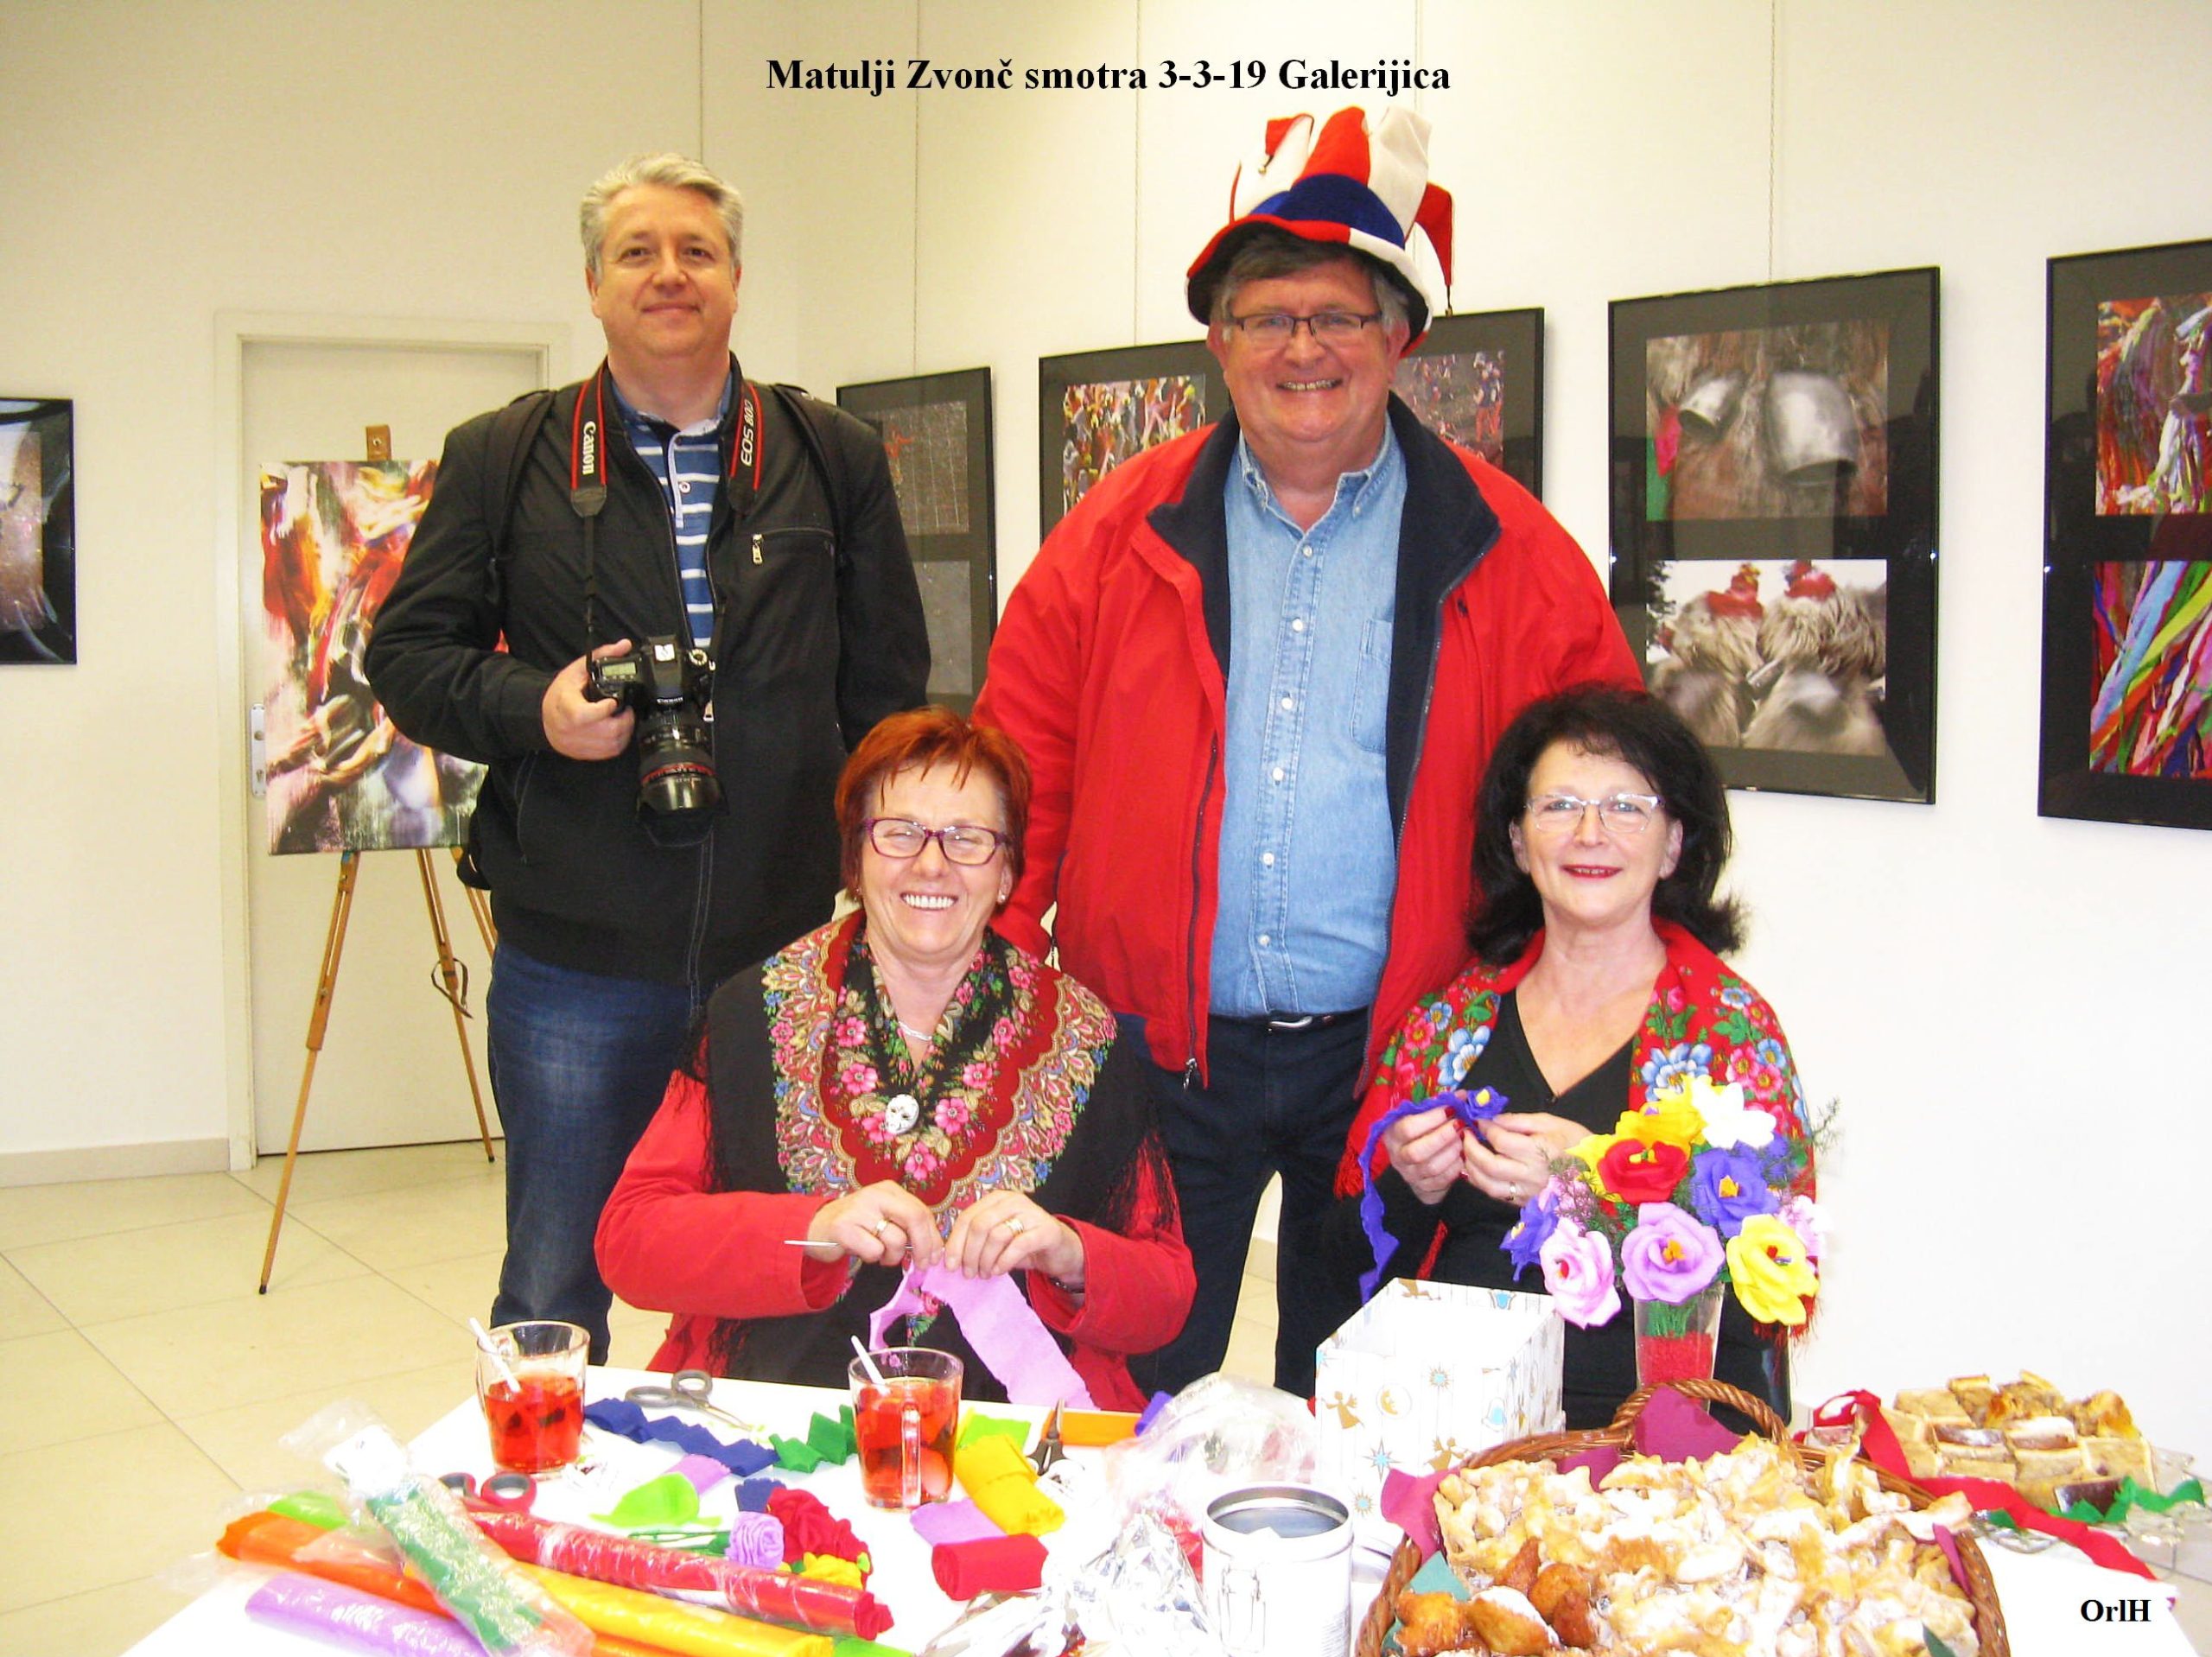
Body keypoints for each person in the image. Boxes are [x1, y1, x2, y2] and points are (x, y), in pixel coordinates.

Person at [974, 106, 1637, 1397]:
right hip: (1155, 1055)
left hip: (1404, 1075)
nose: (1303, 348)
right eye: (1267, 316)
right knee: (1118, 1398)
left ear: (1401, 335)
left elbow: (1606, 805)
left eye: (1337, 315)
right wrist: (999, 1007)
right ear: (1217, 341)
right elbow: (1015, 782)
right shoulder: (1112, 536)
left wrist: (1567, 1016)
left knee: (1377, 1412)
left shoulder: (1515, 554)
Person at [365, 154, 928, 1362]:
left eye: (696, 251)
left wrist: (879, 882)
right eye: (637, 252)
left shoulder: (831, 454)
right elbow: (405, 656)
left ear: (735, 278)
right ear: (592, 284)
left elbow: (887, 689)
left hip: (782, 954)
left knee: (790, 1267)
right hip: (576, 959)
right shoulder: (502, 455)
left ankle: (760, 1479)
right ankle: (548, 1473)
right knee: (554, 1280)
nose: (669, 274)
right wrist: (534, 707)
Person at [595, 708, 1193, 1408]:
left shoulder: (1083, 1037)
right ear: (855, 859)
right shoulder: (749, 1013)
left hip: (1015, 1432)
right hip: (777, 1411)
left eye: (968, 838)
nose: (932, 864)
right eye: (900, 832)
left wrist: (1069, 1253)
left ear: (1007, 872)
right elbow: (630, 1242)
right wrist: (812, 1231)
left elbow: (1167, 1295)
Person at [1337, 685, 1814, 1429]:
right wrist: (1408, 1185)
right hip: (1453, 1418)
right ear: (1518, 841)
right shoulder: (1449, 1023)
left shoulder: (1731, 1034)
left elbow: (1775, 1284)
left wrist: (1592, 1185)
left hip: (1654, 1434)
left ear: (1674, 844)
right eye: (1560, 806)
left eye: (1627, 807)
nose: (1591, 833)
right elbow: (1352, 1269)